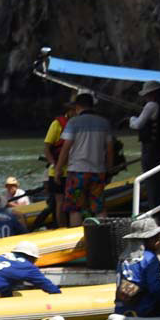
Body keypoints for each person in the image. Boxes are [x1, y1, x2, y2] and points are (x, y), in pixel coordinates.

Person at [56, 92, 115, 227]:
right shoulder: (104, 123)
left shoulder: (73, 122)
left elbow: (66, 148)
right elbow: (110, 149)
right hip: (98, 171)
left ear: (77, 107)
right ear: (92, 106)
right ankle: (102, 236)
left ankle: (77, 241)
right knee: (99, 208)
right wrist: (109, 170)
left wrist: (58, 169)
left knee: (75, 208)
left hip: (77, 172)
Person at [128, 81, 160, 218]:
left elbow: (138, 125)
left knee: (151, 182)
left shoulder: (151, 105)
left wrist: (131, 119)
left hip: (151, 151)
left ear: (151, 93)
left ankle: (155, 214)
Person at [42, 97, 76, 228]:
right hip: (59, 171)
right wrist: (55, 165)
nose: (76, 112)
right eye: (74, 110)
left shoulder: (80, 124)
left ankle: (73, 226)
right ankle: (62, 227)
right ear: (70, 110)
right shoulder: (57, 124)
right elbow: (47, 147)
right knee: (60, 201)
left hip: (75, 170)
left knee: (74, 201)